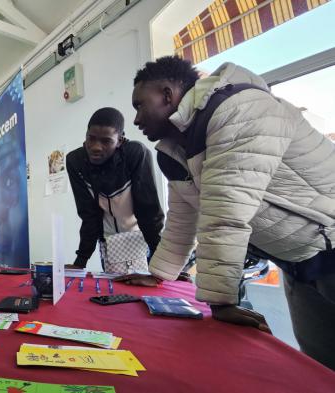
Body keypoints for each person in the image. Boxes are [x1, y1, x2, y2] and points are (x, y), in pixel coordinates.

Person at [125, 55, 335, 369]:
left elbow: (225, 211)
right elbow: (182, 219)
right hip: (298, 261)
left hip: (328, 247)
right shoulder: (176, 150)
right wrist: (159, 275)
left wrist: (220, 301)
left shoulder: (239, 111)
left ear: (167, 95)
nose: (137, 119)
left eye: (139, 106)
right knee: (323, 367)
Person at [66, 107, 164, 269]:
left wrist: (160, 256)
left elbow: (148, 209)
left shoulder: (135, 154)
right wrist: (81, 261)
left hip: (140, 238)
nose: (96, 147)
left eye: (106, 141)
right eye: (91, 139)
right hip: (109, 242)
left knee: (143, 290)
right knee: (114, 290)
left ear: (120, 140)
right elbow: (89, 214)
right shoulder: (75, 161)